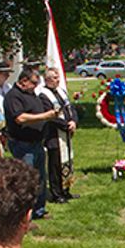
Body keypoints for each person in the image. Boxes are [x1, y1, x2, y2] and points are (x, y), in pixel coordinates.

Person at [2, 66, 57, 220]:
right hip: (23, 145)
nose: (36, 86)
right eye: (34, 82)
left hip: (37, 143)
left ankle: (39, 210)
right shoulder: (13, 96)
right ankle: (25, 214)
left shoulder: (32, 94)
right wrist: (45, 116)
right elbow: (20, 118)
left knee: (39, 178)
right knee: (26, 180)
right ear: (23, 81)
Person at [38, 67, 79, 204]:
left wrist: (74, 120)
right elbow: (49, 116)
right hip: (53, 135)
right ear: (47, 79)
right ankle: (56, 193)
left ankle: (66, 189)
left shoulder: (61, 91)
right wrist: (66, 125)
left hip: (66, 133)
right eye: (55, 78)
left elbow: (70, 108)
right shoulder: (43, 95)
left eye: (58, 77)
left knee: (67, 161)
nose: (58, 80)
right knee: (55, 164)